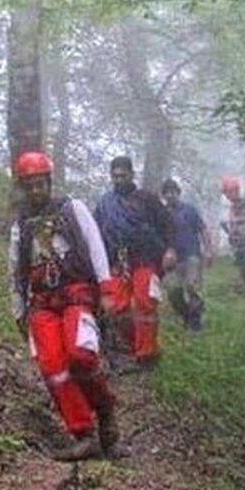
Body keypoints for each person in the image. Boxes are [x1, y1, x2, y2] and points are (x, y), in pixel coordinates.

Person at [9, 150, 123, 461]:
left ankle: (104, 408)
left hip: (76, 293)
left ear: (49, 181)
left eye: (40, 183)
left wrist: (107, 287)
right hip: (42, 302)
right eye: (29, 185)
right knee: (53, 368)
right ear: (23, 186)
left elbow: (95, 244)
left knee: (81, 355)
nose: (36, 190)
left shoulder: (72, 209)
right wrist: (18, 310)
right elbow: (15, 268)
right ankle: (83, 433)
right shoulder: (21, 225)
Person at [93, 156, 177, 368]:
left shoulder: (147, 199)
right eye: (115, 176)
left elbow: (168, 224)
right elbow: (95, 233)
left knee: (144, 303)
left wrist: (170, 250)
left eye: (122, 175)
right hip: (118, 261)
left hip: (145, 258)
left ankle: (146, 354)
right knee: (118, 308)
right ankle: (133, 344)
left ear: (131, 174)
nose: (118, 180)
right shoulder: (105, 204)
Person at [160, 178, 213, 330]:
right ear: (163, 195)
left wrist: (208, 250)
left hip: (192, 255)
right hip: (172, 260)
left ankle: (196, 321)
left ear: (178, 192)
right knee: (172, 290)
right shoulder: (161, 213)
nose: (170, 195)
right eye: (167, 192)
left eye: (173, 192)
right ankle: (185, 314)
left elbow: (203, 230)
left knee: (192, 286)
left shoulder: (190, 210)